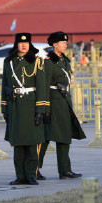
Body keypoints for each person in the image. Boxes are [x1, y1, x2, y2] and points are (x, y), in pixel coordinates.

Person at [38, 31, 86, 180]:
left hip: (64, 101)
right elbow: (43, 85)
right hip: (52, 102)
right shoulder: (47, 61)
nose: (66, 45)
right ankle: (34, 169)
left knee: (64, 136)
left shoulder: (65, 61)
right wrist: (43, 107)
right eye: (62, 42)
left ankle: (65, 170)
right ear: (55, 44)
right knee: (45, 137)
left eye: (66, 42)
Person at [1, 33, 47, 185]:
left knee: (32, 143)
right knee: (18, 144)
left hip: (31, 104)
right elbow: (4, 85)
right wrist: (4, 108)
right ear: (16, 44)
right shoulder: (9, 62)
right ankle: (20, 176)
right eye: (21, 43)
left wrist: (41, 109)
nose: (24, 45)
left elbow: (41, 86)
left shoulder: (36, 61)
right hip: (15, 106)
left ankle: (31, 175)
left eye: (27, 42)